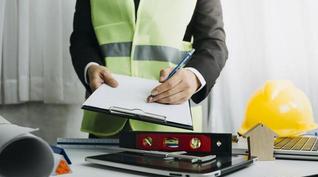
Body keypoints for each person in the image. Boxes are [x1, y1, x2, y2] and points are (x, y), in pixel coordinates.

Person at [70, 0, 228, 138]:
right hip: (107, 120)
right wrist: (90, 67)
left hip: (172, 124)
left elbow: (213, 43)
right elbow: (82, 38)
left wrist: (194, 77)